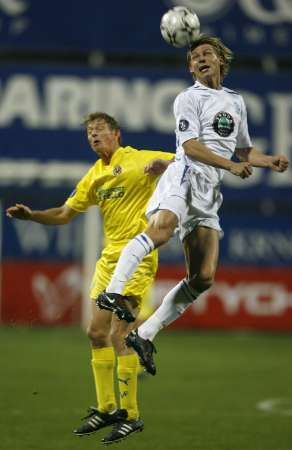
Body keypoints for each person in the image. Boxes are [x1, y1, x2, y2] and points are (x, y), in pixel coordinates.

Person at [95, 35, 289, 375]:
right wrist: (229, 165)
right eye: (194, 57)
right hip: (184, 176)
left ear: (220, 61)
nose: (200, 59)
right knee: (160, 232)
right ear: (191, 68)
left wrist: (269, 160)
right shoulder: (188, 98)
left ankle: (145, 333)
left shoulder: (235, 102)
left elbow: (243, 151)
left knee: (202, 277)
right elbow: (191, 146)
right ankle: (111, 293)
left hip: (209, 192)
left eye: (206, 53)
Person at [6, 112, 174, 444]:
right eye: (88, 133)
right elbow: (65, 214)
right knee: (96, 332)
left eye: (99, 130)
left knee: (119, 333)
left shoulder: (138, 159)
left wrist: (165, 168)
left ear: (117, 134)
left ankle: (132, 415)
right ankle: (107, 407)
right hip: (108, 261)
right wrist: (33, 216)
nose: (93, 136)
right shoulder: (94, 176)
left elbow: (184, 162)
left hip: (137, 256)